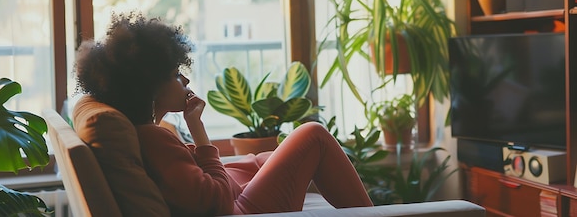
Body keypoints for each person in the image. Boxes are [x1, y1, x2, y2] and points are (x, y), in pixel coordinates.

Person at [74, 12, 373, 216]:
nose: (185, 81)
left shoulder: (149, 132)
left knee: (266, 157)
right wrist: (199, 130)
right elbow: (216, 200)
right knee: (313, 135)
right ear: (152, 85)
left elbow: (192, 181)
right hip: (236, 212)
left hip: (232, 202)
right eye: (176, 74)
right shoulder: (153, 139)